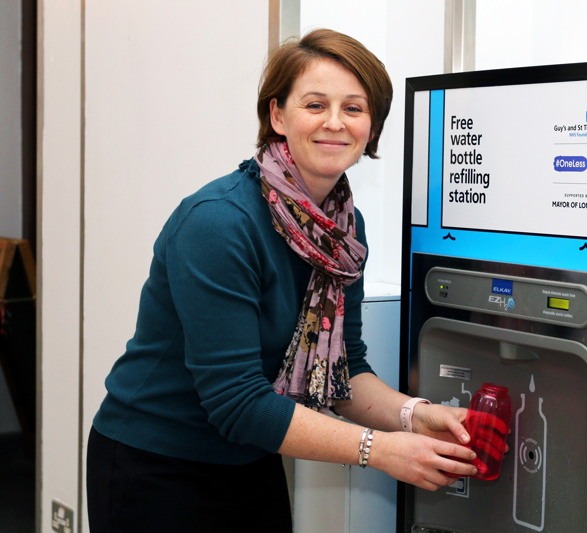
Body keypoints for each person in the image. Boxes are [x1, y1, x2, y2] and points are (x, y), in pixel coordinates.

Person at [86, 28, 478, 532]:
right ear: (277, 116)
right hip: (157, 464)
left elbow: (344, 371)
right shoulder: (218, 222)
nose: (335, 122)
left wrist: (413, 415)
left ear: (372, 126)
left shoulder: (343, 232)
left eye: (354, 108)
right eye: (315, 105)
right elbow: (238, 401)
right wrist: (380, 450)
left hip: (251, 458)